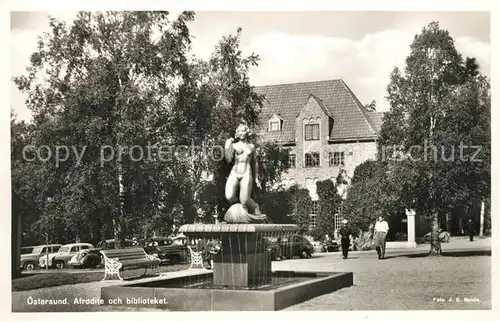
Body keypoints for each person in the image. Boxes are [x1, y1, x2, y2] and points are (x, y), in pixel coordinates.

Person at [224, 124, 268, 222]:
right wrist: (227, 147)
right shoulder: (234, 145)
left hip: (246, 173)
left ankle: (254, 206)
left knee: (244, 200)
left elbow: (255, 163)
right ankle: (239, 209)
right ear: (237, 133)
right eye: (239, 131)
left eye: (243, 131)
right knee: (229, 196)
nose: (241, 133)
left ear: (247, 132)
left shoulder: (251, 147)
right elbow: (228, 159)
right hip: (235, 172)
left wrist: (256, 178)